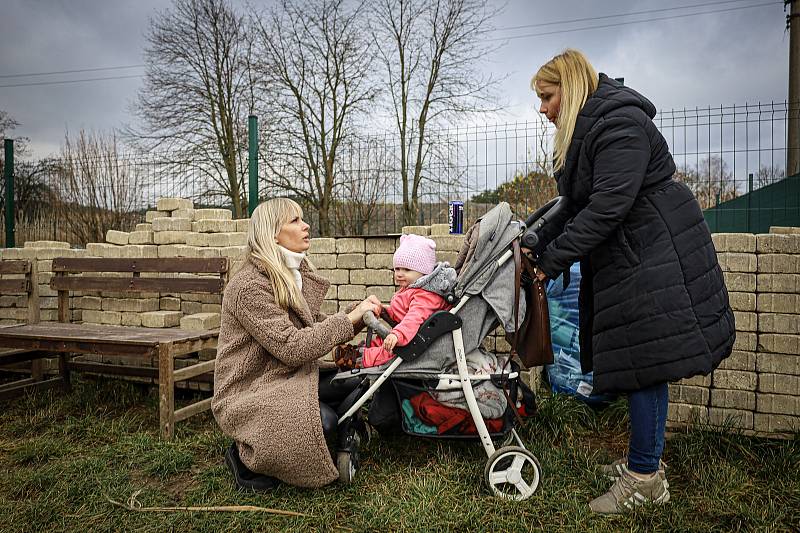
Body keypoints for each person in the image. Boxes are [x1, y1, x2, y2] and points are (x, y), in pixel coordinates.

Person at [530, 49, 735, 514]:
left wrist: (551, 261)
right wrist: (535, 240)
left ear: (573, 87)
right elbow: (573, 204)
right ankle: (643, 462)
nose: (542, 108)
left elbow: (605, 208)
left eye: (547, 96)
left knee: (646, 364)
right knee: (642, 361)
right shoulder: (594, 127)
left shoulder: (618, 124)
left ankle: (646, 480)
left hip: (654, 249)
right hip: (634, 249)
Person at [211, 198, 382, 491]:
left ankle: (332, 433)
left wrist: (359, 317)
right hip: (251, 387)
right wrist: (350, 317)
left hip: (284, 375)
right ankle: (245, 456)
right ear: (272, 233)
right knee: (324, 422)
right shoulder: (248, 286)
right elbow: (293, 348)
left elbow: (317, 328)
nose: (305, 226)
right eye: (295, 221)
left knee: (361, 380)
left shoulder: (290, 276)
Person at [335, 234, 456, 369]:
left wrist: (397, 334)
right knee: (382, 341)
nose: (399, 273)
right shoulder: (412, 288)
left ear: (424, 272)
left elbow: (413, 318)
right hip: (405, 331)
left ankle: (360, 359)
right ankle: (360, 351)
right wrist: (384, 311)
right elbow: (402, 312)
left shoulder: (426, 296)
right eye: (397, 269)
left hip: (414, 340)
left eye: (406, 270)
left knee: (389, 351)